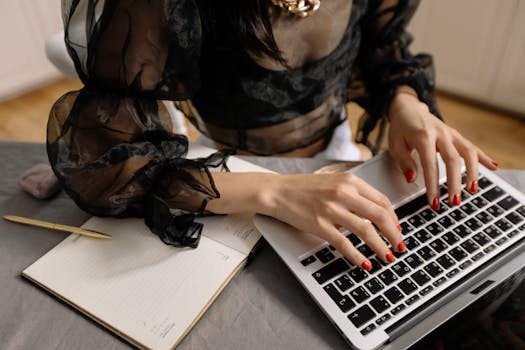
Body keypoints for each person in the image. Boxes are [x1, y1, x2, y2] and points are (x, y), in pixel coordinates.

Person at [47, 0, 499, 271]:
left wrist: (405, 103)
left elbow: (381, 43)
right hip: (233, 176)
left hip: (339, 155)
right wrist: (277, 191)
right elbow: (107, 161)